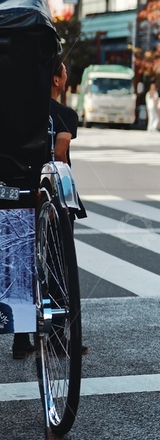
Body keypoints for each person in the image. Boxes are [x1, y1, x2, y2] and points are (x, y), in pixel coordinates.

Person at [14, 56, 79, 360]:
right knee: (55, 264)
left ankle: (21, 339)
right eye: (64, 74)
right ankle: (56, 339)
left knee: (23, 262)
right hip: (49, 198)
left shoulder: (22, 110)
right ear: (56, 80)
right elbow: (60, 155)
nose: (66, 78)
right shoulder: (64, 114)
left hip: (20, 192)